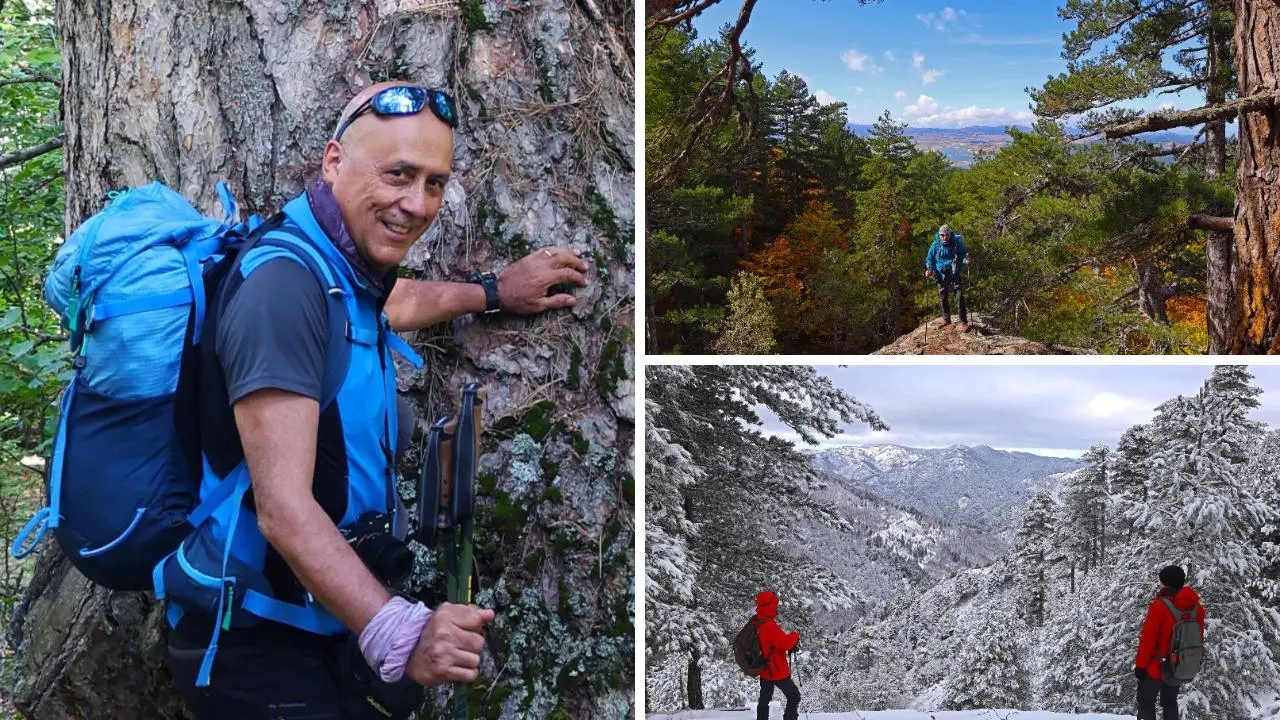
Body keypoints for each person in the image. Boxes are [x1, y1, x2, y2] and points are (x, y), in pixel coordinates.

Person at [161, 81, 590, 719]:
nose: (416, 204)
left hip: (320, 627)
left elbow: (390, 305)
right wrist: (397, 631)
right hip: (260, 648)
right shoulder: (283, 288)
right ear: (334, 161)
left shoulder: (334, 271)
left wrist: (495, 291)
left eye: (435, 183)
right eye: (398, 174)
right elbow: (282, 510)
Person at [1134, 564, 1205, 720]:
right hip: (1177, 665)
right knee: (1170, 702)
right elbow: (1198, 637)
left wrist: (1140, 666)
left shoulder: (1159, 606)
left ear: (1164, 582)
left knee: (1146, 702)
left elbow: (1148, 640)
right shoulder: (1196, 608)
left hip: (1155, 666)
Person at [754, 590, 802, 720]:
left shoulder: (758, 621)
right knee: (794, 696)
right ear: (770, 606)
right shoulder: (768, 625)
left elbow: (773, 642)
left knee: (764, 698)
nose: (777, 607)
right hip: (775, 669)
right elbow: (785, 643)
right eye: (775, 605)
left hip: (764, 667)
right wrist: (795, 635)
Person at [923, 224, 969, 331]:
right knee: (943, 296)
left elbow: (963, 255)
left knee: (959, 295)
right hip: (941, 275)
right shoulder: (935, 245)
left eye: (946, 235)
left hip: (954, 273)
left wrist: (966, 261)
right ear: (939, 235)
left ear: (950, 234)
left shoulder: (956, 243)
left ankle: (963, 322)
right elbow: (929, 259)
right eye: (942, 235)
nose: (944, 237)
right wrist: (929, 269)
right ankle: (946, 320)